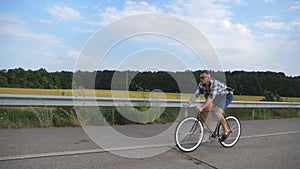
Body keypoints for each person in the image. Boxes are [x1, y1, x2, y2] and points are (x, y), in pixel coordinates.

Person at [184, 70, 234, 141]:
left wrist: (201, 107)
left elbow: (210, 99)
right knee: (206, 108)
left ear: (208, 77)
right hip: (217, 97)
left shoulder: (214, 83)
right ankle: (210, 129)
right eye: (200, 78)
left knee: (217, 112)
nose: (201, 79)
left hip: (226, 95)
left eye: (203, 77)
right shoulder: (201, 84)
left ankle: (226, 131)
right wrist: (188, 103)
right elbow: (196, 94)